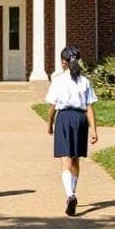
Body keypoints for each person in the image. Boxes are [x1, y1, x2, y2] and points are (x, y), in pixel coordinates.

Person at [45, 45, 97, 216]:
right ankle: (72, 194)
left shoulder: (59, 81)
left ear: (63, 62)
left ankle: (70, 194)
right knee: (75, 159)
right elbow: (89, 107)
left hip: (64, 118)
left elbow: (52, 106)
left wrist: (50, 123)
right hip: (80, 119)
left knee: (65, 158)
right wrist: (94, 130)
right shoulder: (84, 81)